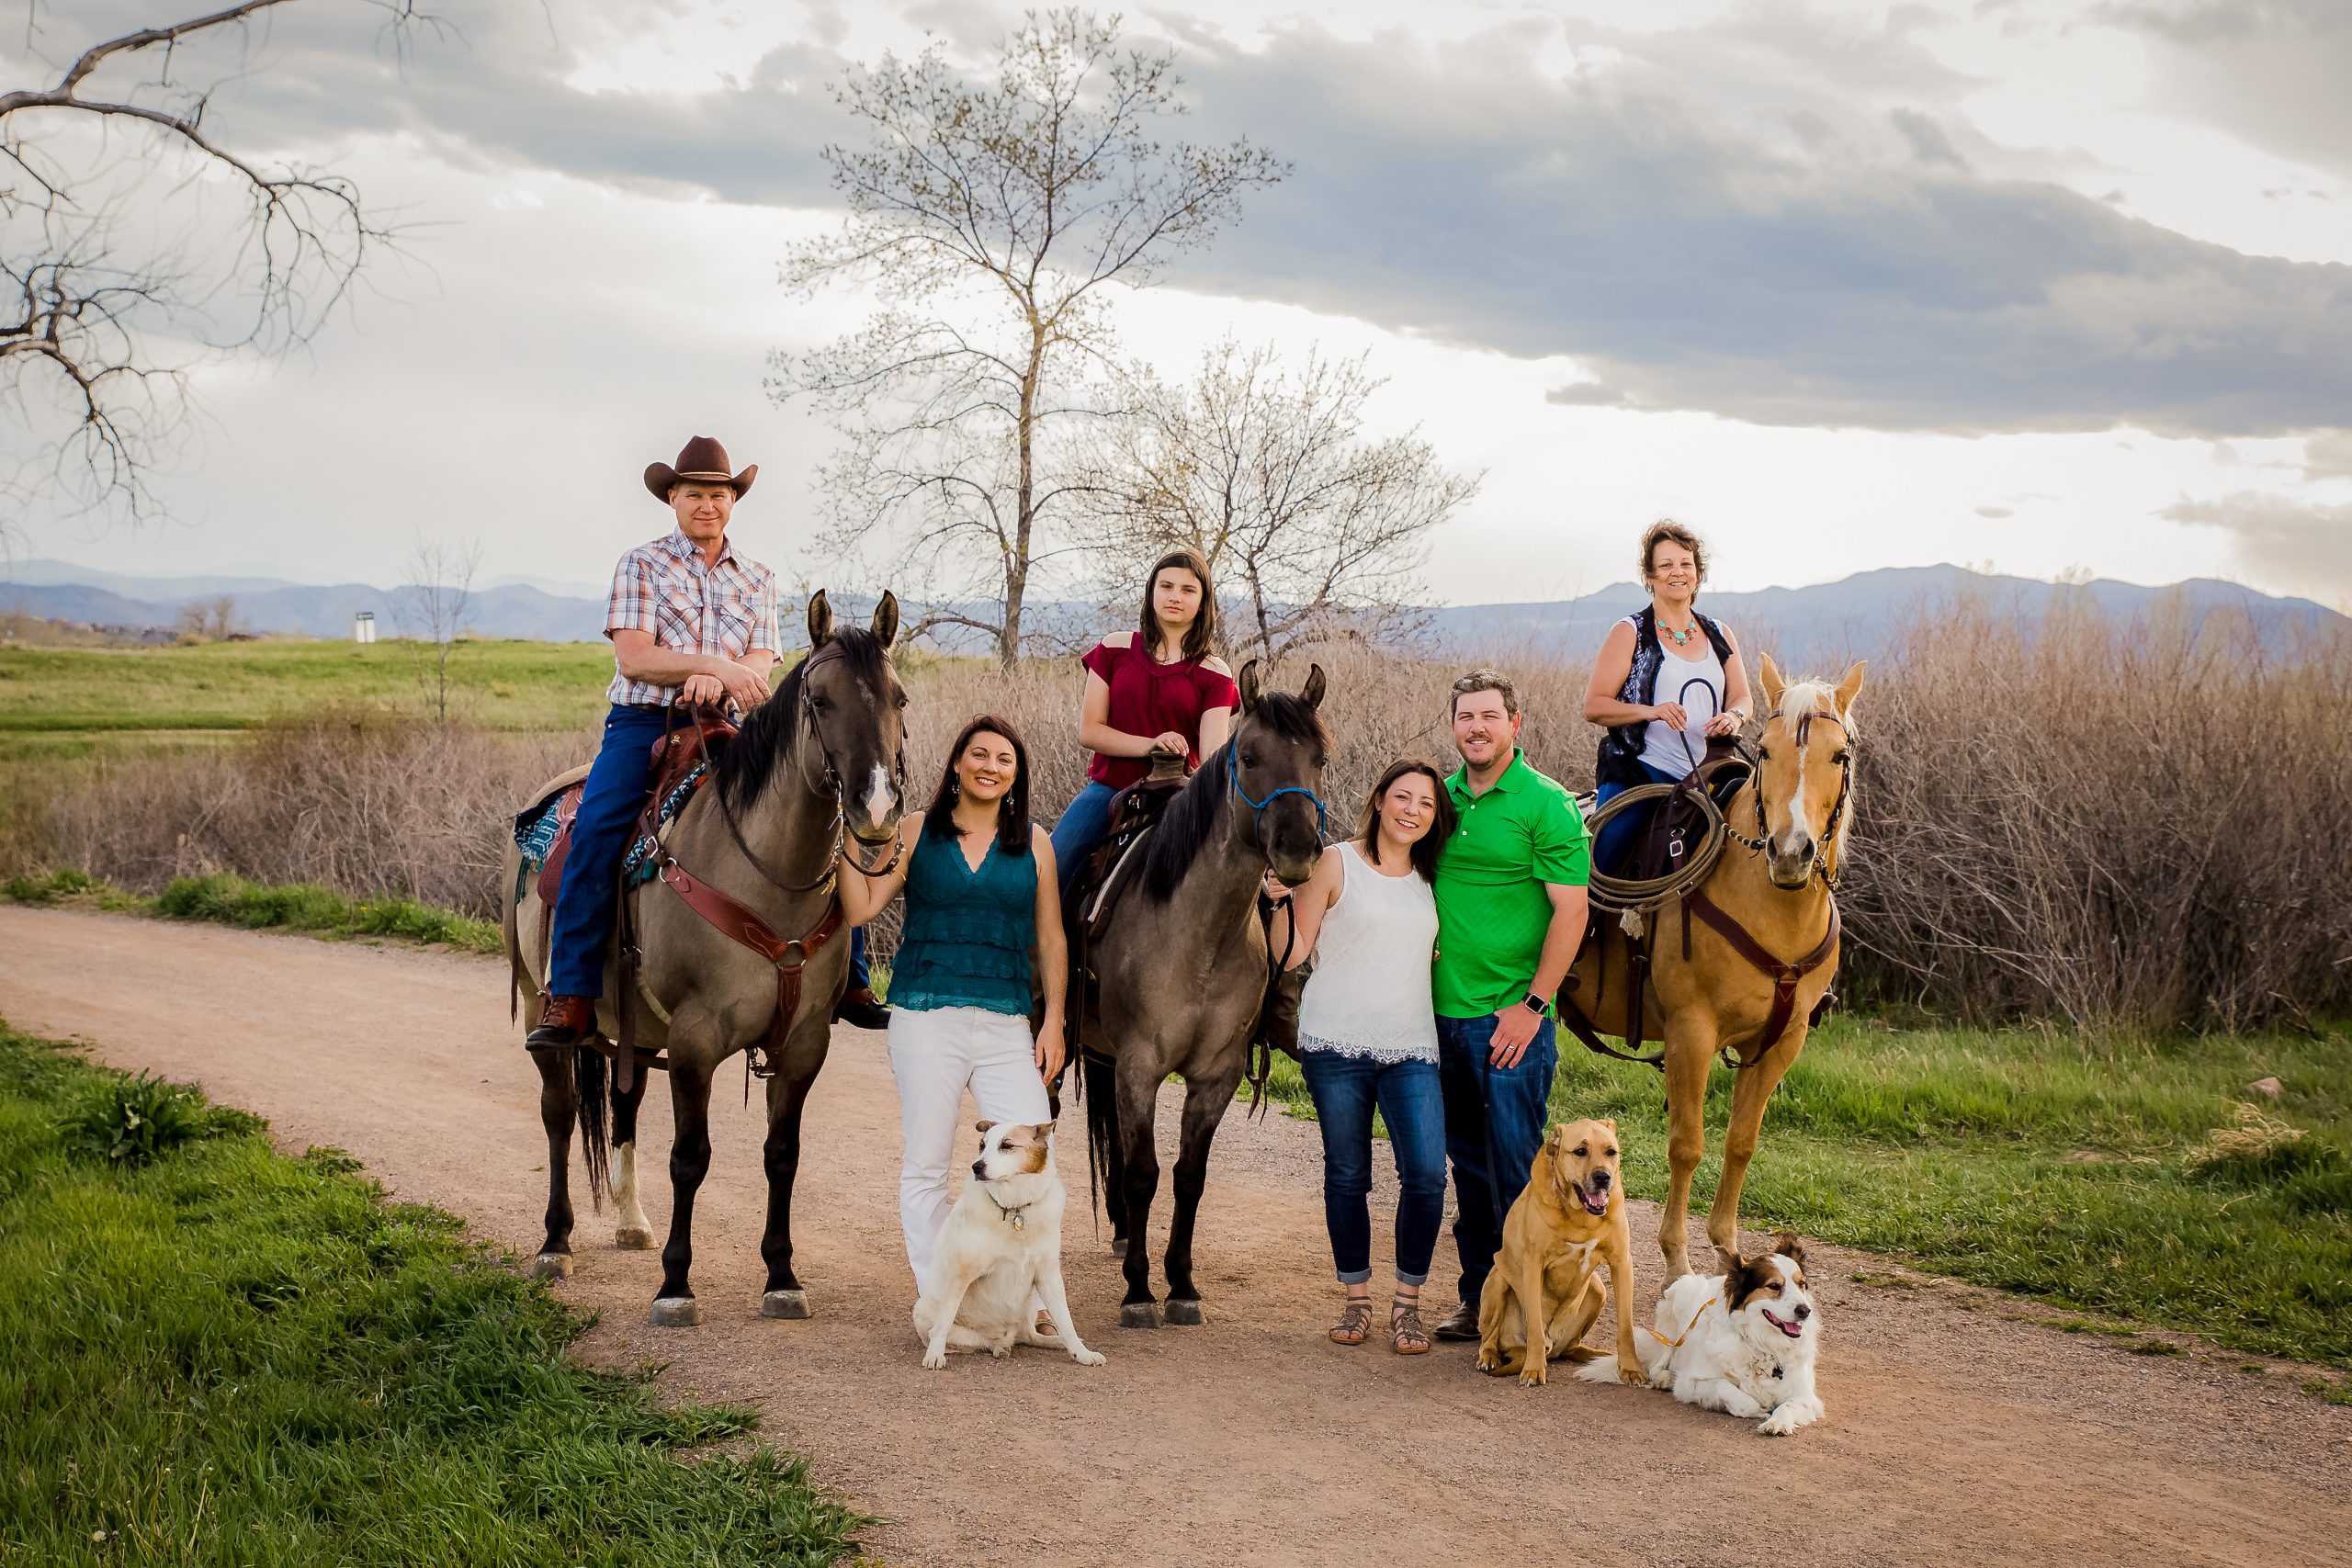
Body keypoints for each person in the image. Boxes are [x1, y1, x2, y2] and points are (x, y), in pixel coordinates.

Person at [526, 436, 885, 1051]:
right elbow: (635, 657)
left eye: (718, 495)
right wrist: (709, 666)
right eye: (694, 493)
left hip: (732, 725)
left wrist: (723, 677)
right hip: (646, 723)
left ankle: (849, 977)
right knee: (598, 828)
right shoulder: (642, 564)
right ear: (673, 497)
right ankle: (574, 993)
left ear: (732, 501)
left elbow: (762, 659)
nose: (707, 505)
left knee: (817, 815)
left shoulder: (758, 577)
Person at [837, 715, 1069, 1295]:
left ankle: (1026, 1298)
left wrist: (1054, 1022)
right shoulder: (917, 830)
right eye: (980, 755)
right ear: (958, 764)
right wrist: (844, 835)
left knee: (1028, 1159)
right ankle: (942, 1293)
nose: (991, 767)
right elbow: (862, 907)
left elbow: (1051, 939)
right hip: (926, 1019)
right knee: (928, 1164)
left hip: (1007, 1024)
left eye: (1004, 759)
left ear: (1016, 775)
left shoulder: (1035, 843)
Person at [1265, 759, 1457, 1355]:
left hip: (1411, 1044)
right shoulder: (1335, 861)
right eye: (1403, 797)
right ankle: (1356, 1297)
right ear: (1379, 800)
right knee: (1348, 1174)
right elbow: (1293, 952)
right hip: (1336, 1042)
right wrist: (1276, 903)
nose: (1413, 811)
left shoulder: (1433, 877)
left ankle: (1407, 1304)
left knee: (1426, 1173)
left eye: (1426, 803)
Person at [1427, 670, 1592, 1341]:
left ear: (1514, 725)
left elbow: (1572, 912)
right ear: (1453, 725)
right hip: (1439, 1018)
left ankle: (1536, 1310)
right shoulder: (1438, 801)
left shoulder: (1546, 804)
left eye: (1489, 716)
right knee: (1468, 1169)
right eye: (1466, 717)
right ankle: (1480, 1299)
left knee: (1521, 1171)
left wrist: (1533, 1005)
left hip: (1510, 1022)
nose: (1477, 728)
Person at [1046, 548, 1239, 899]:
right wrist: (1151, 744)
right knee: (1048, 870)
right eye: (1166, 586)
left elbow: (1213, 758)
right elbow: (1090, 731)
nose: (1175, 596)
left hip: (1178, 799)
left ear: (1203, 602)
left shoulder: (1215, 673)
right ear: (1151, 592)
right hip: (1108, 791)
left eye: (1188, 589)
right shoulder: (1114, 649)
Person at [1582, 520, 1752, 876]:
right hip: (1642, 772)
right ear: (1650, 575)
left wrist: (1733, 717)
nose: (1678, 572)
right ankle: (1585, 910)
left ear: (1697, 573)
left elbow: (1742, 698)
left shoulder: (1720, 633)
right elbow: (1594, 706)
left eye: (1686, 564)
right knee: (1603, 855)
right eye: (1666, 565)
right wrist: (1651, 711)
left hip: (1711, 775)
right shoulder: (1630, 632)